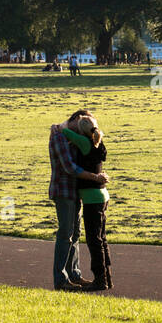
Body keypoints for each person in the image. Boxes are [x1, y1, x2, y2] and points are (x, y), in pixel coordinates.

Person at [48, 111, 108, 291]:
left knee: (75, 235)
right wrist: (95, 177)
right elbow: (69, 167)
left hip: (76, 191)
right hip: (64, 190)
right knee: (65, 234)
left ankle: (74, 274)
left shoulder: (72, 135)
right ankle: (61, 279)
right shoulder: (58, 134)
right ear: (74, 120)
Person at [64, 116, 113, 291]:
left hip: (92, 197)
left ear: (82, 130)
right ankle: (107, 277)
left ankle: (100, 279)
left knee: (94, 240)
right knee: (101, 239)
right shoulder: (99, 143)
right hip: (102, 194)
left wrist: (60, 126)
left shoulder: (84, 143)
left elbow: (64, 131)